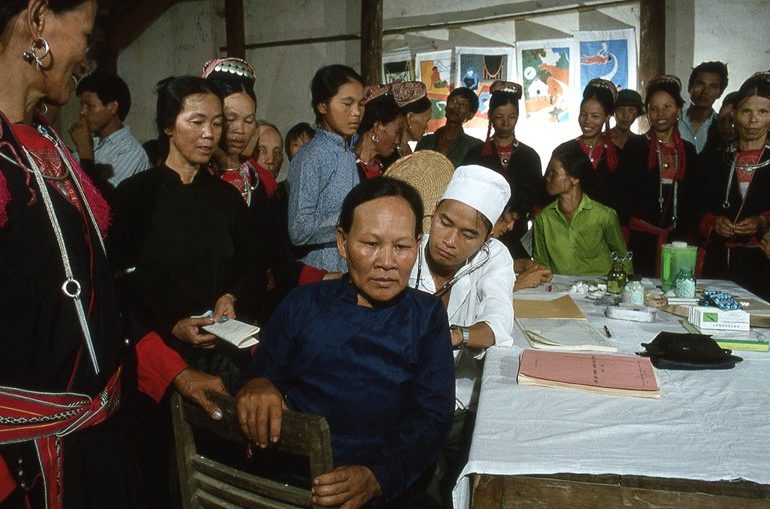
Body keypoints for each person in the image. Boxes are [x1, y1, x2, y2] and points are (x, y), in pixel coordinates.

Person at [236, 177, 455, 509]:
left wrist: (377, 477)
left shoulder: (426, 317)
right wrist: (259, 384)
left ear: (417, 244)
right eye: (370, 244)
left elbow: (433, 416)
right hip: (297, 485)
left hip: (388, 488)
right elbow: (262, 373)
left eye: (401, 247)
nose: (386, 262)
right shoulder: (304, 304)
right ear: (342, 242)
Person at [0, 1, 140, 507]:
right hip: (23, 470)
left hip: (95, 447)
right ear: (38, 19)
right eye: (85, 34)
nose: (86, 54)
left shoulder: (50, 144)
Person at [109, 76, 263, 506]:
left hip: (221, 358)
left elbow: (252, 267)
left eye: (216, 122)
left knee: (220, 475)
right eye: (197, 121)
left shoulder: (226, 199)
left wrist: (232, 296)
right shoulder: (136, 196)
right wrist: (171, 325)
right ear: (168, 126)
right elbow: (119, 284)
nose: (210, 134)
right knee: (165, 479)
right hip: (158, 359)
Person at [408, 165, 515, 506]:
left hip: (461, 405)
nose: (450, 242)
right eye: (444, 223)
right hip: (403, 403)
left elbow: (498, 324)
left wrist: (452, 337)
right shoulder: (406, 246)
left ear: (487, 239)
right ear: (435, 211)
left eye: (469, 234)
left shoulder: (494, 258)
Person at [699, 71, 770, 300]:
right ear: (734, 114)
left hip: (762, 266)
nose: (753, 120)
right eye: (746, 111)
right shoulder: (716, 158)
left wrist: (762, 221)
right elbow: (695, 206)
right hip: (718, 263)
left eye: (763, 112)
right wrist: (714, 223)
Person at [288, 64, 365, 272]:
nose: (356, 112)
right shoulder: (311, 156)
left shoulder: (348, 150)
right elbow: (299, 229)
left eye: (361, 104)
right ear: (322, 106)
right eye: (347, 103)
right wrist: (354, 216)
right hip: (322, 271)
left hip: (348, 267)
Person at [621, 75, 699, 276]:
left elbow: (693, 199)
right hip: (640, 240)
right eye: (653, 108)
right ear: (647, 112)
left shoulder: (688, 151)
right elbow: (624, 197)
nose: (660, 114)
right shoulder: (635, 147)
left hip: (678, 241)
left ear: (678, 110)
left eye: (667, 106)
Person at [462, 80, 546, 261]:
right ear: (490, 116)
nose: (506, 122)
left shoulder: (530, 156)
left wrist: (514, 215)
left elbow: (537, 198)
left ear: (518, 116)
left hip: (518, 235)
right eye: (499, 116)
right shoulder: (475, 154)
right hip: (481, 233)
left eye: (512, 116)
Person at [534, 149, 630, 275]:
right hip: (560, 286)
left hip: (599, 285)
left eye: (554, 173)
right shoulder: (543, 219)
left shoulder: (604, 216)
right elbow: (541, 263)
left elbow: (622, 257)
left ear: (575, 179)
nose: (547, 178)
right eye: (548, 173)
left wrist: (626, 283)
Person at [68, 71, 149, 190]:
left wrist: (85, 151)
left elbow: (104, 196)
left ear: (112, 108)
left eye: (89, 105)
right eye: (82, 105)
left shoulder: (130, 152)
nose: (82, 112)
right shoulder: (94, 141)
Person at [552, 78, 622, 211]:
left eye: (595, 116)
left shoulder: (617, 155)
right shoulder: (564, 150)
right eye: (583, 114)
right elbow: (547, 194)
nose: (587, 121)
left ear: (606, 117)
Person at [416, 87, 482, 167]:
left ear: (470, 115)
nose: (456, 106)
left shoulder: (474, 147)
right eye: (453, 101)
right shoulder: (425, 141)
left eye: (463, 104)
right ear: (446, 106)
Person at [679, 61, 729, 154]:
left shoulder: (722, 126)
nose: (705, 91)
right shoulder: (674, 122)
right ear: (689, 87)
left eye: (713, 86)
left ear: (720, 93)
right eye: (700, 84)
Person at [354, 86, 403, 179]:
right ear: (377, 128)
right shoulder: (348, 169)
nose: (398, 141)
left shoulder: (389, 167)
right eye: (397, 132)